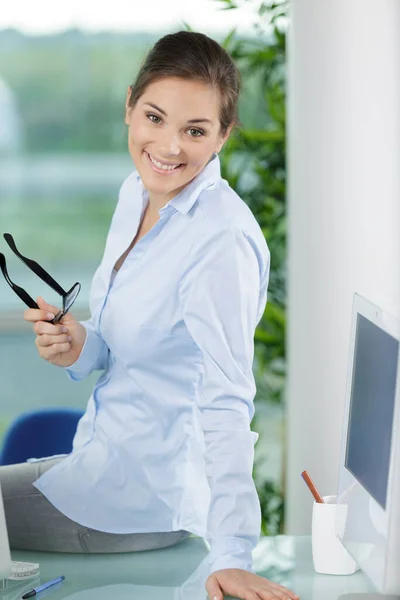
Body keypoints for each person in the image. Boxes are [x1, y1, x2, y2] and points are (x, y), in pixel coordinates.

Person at [5, 31, 299, 600]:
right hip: (95, 467)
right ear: (129, 107)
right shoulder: (135, 194)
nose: (169, 147)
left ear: (223, 136)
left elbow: (227, 398)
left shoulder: (221, 241)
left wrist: (233, 553)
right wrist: (79, 344)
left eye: (195, 130)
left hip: (134, 501)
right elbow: (130, 348)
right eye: (155, 118)